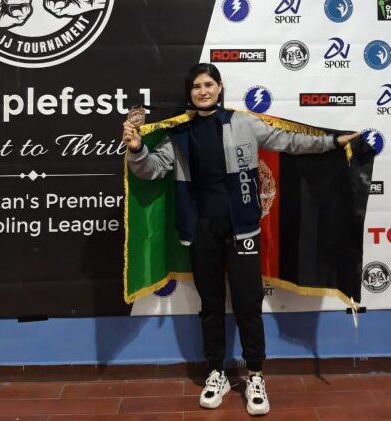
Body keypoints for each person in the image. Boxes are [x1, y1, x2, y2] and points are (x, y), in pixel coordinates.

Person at [123, 63, 359, 416]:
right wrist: (137, 146)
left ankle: (255, 375)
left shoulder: (244, 122)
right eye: (196, 87)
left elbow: (290, 141)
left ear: (219, 87)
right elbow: (151, 169)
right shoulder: (181, 134)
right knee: (211, 305)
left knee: (249, 304)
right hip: (201, 231)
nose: (202, 91)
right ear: (190, 93)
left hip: (242, 228)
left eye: (208, 84)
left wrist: (331, 141)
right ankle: (215, 372)